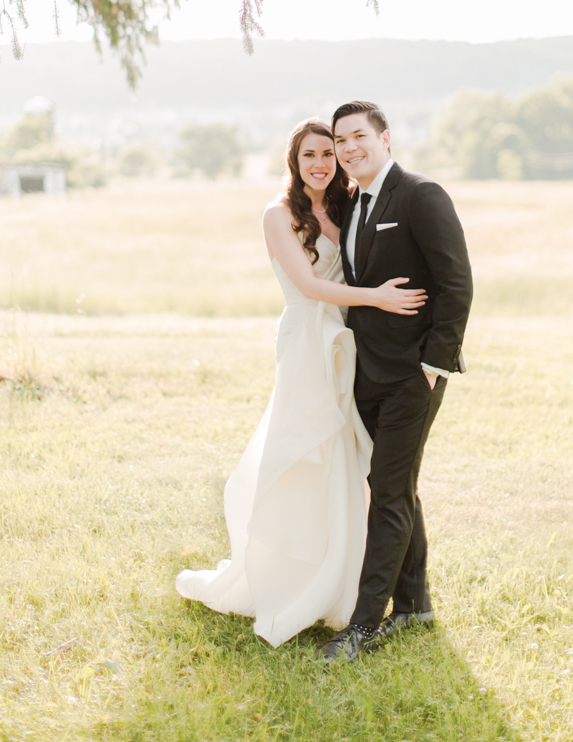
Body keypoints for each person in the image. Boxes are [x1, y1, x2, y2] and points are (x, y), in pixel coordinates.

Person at [174, 118, 428, 647]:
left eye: (328, 155)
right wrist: (379, 297)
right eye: (310, 154)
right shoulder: (278, 214)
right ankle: (294, 578)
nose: (320, 164)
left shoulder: (346, 205)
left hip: (349, 342)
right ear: (294, 160)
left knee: (347, 458)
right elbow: (310, 285)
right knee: (307, 448)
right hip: (309, 342)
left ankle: (348, 578)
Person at [319, 101, 473, 663]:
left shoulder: (420, 194)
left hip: (414, 375)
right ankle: (415, 606)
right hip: (367, 371)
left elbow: (456, 281)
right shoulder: (355, 201)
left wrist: (436, 363)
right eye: (340, 141)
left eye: (359, 136)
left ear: (385, 137)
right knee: (396, 485)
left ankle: (363, 625)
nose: (348, 148)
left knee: (385, 490)